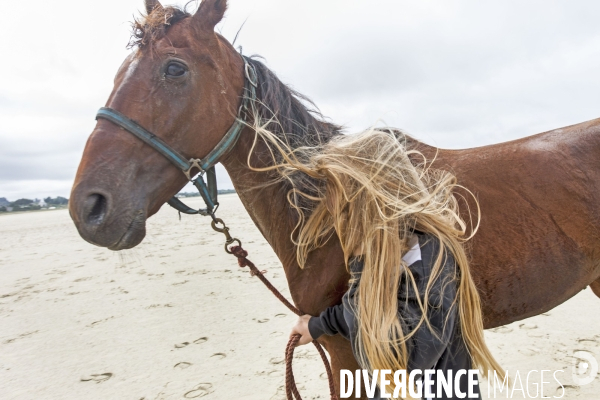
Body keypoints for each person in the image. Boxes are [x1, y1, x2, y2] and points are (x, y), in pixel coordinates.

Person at [253, 126, 504, 399]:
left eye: (341, 203)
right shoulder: (391, 255)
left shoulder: (431, 264)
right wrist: (315, 326)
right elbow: (368, 310)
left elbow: (396, 361)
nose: (332, 208)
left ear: (368, 203)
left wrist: (361, 269)